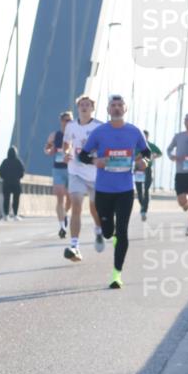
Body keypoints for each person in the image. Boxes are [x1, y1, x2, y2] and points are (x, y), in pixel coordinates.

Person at [78, 94, 151, 288]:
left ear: (125, 109)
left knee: (123, 231)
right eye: (113, 105)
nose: (117, 108)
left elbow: (147, 153)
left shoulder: (134, 132)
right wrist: (96, 161)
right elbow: (83, 156)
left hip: (125, 190)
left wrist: (144, 162)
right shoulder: (99, 132)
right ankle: (111, 232)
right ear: (108, 110)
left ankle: (116, 274)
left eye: (120, 105)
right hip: (103, 190)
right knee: (109, 232)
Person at [62, 95, 105, 262]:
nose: (84, 107)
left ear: (92, 108)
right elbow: (67, 144)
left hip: (95, 174)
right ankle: (75, 246)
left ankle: (99, 230)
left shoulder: (99, 126)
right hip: (76, 171)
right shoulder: (71, 126)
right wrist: (66, 153)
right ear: (78, 108)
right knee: (76, 206)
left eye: (87, 105)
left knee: (95, 209)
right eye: (81, 105)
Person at [167, 112, 188, 237]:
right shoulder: (178, 136)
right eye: (185, 120)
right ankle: (184, 205)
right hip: (181, 173)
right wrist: (172, 157)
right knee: (182, 202)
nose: (186, 122)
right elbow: (169, 149)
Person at [44, 111, 73, 237]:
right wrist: (50, 150)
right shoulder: (54, 135)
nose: (68, 122)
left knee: (70, 198)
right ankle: (62, 226)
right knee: (60, 197)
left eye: (70, 120)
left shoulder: (75, 134)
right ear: (61, 121)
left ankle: (65, 213)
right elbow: (47, 149)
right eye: (66, 120)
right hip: (58, 169)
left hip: (72, 170)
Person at [136, 129, 163, 221]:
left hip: (147, 169)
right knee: (139, 191)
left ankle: (144, 211)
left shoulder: (151, 146)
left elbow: (160, 153)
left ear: (147, 137)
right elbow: (132, 156)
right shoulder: (136, 146)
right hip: (138, 170)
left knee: (146, 189)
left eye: (145, 136)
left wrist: (153, 156)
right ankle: (143, 204)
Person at [0, 146, 25, 220]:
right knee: (16, 199)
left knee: (6, 199)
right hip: (16, 183)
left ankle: (6, 215)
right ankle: (15, 214)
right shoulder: (18, 162)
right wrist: (18, 177)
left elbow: (0, 172)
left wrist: (5, 177)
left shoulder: (5, 161)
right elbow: (22, 172)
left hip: (6, 183)